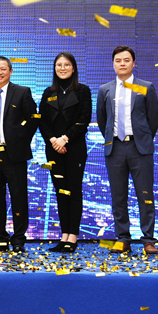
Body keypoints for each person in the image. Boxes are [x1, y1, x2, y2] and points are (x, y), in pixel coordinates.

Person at [96, 45, 158, 255]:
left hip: (139, 148)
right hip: (115, 148)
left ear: (133, 63)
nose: (122, 64)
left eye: (126, 60)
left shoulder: (145, 87)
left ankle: (148, 240)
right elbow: (102, 120)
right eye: (118, 60)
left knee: (145, 194)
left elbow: (153, 119)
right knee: (118, 196)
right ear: (113, 64)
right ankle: (123, 238)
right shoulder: (105, 90)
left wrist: (142, 138)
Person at [0, 56, 38, 253]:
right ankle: (0, 239)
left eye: (3, 69)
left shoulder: (22, 92)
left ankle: (19, 238)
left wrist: (20, 140)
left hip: (15, 155)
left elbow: (33, 119)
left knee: (18, 197)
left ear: (11, 71)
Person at [39, 52, 92, 253]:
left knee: (74, 190)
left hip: (74, 148)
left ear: (73, 68)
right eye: (59, 65)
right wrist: (53, 140)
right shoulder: (48, 92)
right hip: (53, 149)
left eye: (66, 64)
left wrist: (65, 138)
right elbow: (42, 120)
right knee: (61, 191)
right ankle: (64, 236)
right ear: (54, 68)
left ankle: (73, 236)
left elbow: (84, 120)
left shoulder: (83, 91)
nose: (62, 68)